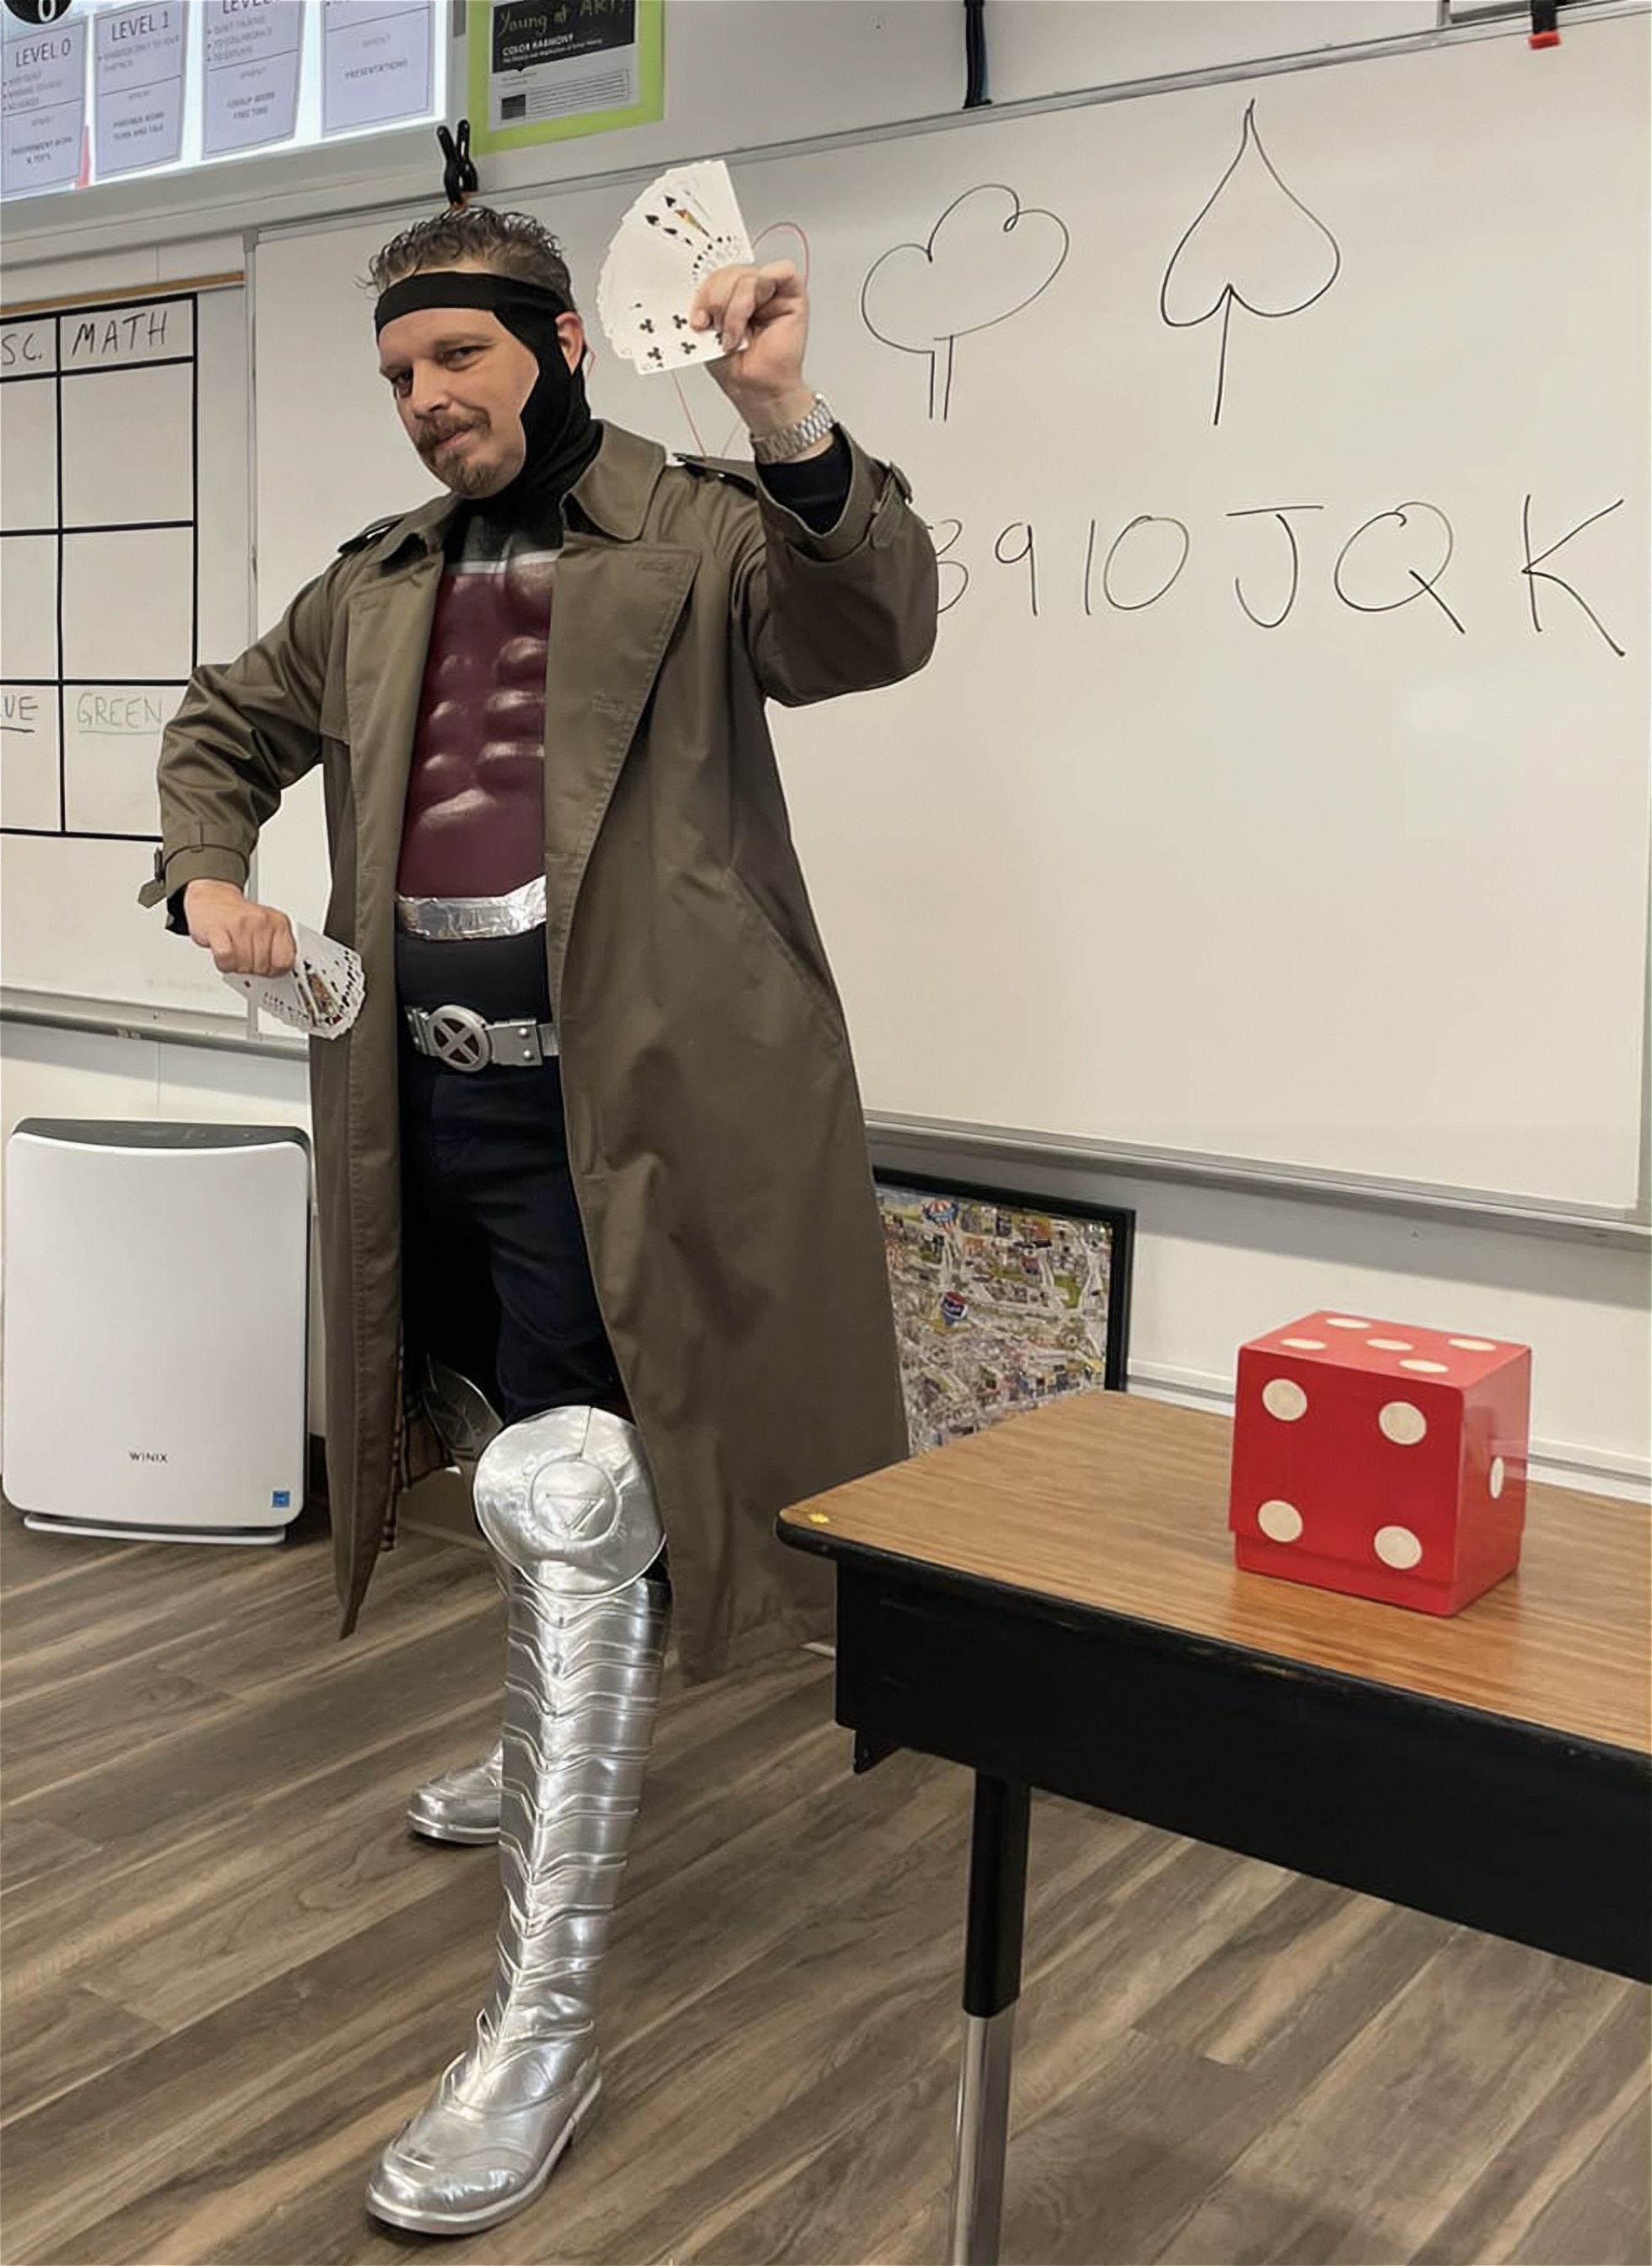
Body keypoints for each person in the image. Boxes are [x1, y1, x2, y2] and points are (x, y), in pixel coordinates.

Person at [140, 202, 938, 2234]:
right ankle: (550, 1733)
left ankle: (545, 2019)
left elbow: (872, 628)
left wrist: (788, 415)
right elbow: (220, 727)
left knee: (590, 1485)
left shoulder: (698, 528)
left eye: (457, 364)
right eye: (400, 377)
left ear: (560, 343)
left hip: (652, 1106)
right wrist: (209, 868)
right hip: (434, 1103)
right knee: (529, 1444)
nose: (425, 405)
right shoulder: (374, 583)